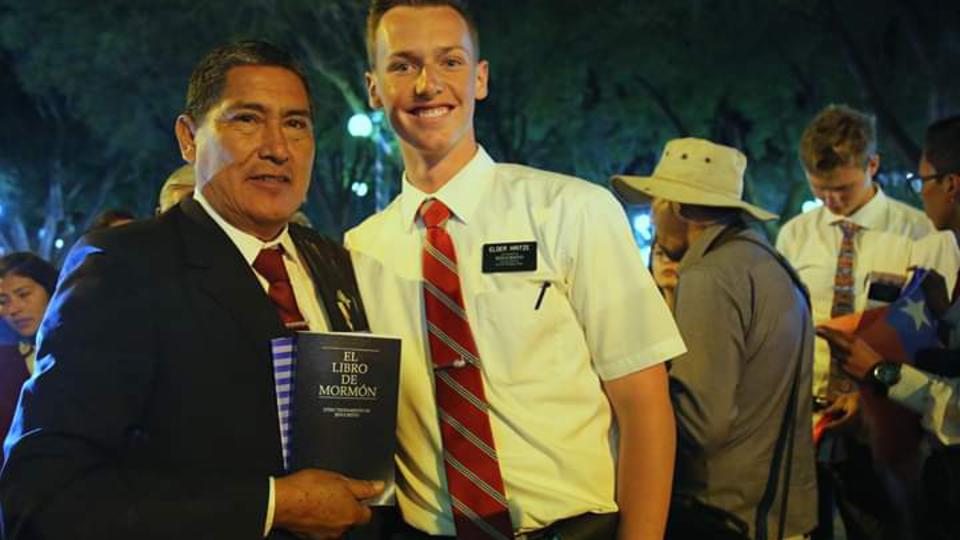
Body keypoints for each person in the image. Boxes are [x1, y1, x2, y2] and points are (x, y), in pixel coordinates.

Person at [0, 41, 383, 539]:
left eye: (296, 123)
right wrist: (271, 504)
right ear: (188, 137)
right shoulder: (122, 266)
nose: (277, 146)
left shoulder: (335, 263)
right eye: (247, 119)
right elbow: (41, 496)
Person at [345, 1, 686, 538]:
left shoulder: (572, 210)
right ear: (373, 87)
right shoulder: (360, 251)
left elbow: (644, 406)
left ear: (480, 78)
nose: (428, 83)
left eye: (450, 62)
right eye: (403, 65)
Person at [613, 138, 818, 539]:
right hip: (779, 514)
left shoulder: (710, 276)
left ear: (678, 207)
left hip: (726, 515)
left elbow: (700, 424)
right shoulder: (766, 261)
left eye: (656, 203)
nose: (652, 219)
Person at [776, 104, 935, 540]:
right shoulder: (794, 235)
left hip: (886, 412)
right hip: (810, 415)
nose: (832, 202)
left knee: (889, 526)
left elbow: (921, 331)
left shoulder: (916, 232)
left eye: (843, 189)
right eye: (821, 190)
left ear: (873, 165)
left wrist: (867, 398)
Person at [817, 114, 960, 540]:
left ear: (951, 184)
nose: (922, 192)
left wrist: (880, 374)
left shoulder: (915, 234)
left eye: (923, 180)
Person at [0, 252, 58, 458]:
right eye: (2, 301)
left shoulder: (83, 346)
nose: (12, 309)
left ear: (51, 290)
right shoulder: (6, 362)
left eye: (23, 294)